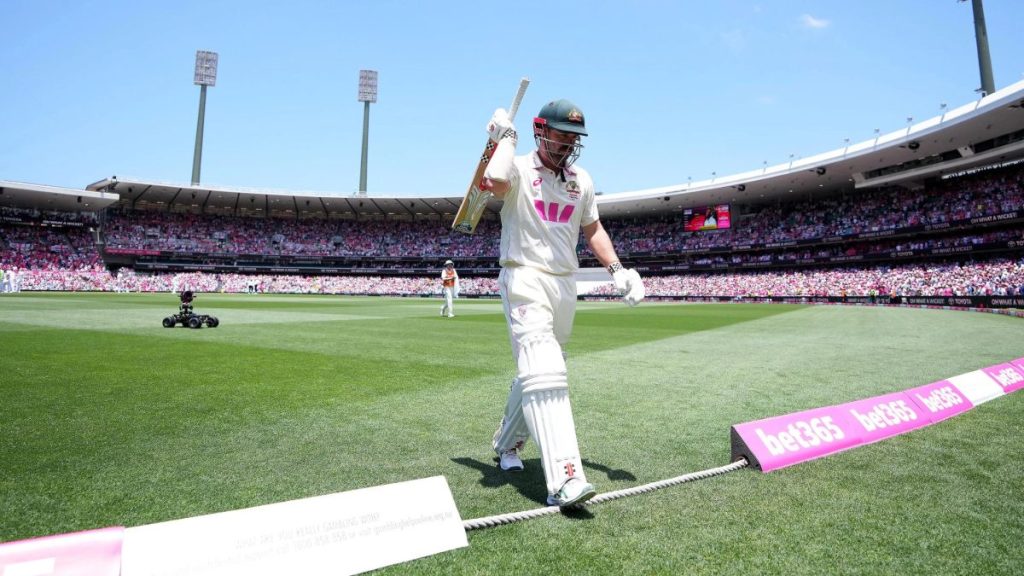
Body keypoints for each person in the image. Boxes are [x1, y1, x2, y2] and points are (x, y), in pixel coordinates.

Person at [481, 98, 645, 507]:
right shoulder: (518, 166)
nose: (568, 142)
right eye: (561, 134)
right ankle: (564, 479)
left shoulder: (580, 180)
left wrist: (618, 270)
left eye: (575, 137)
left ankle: (506, 445)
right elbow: (494, 183)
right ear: (540, 130)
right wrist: (506, 139)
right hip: (523, 276)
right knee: (546, 369)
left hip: (563, 284)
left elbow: (592, 229)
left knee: (537, 371)